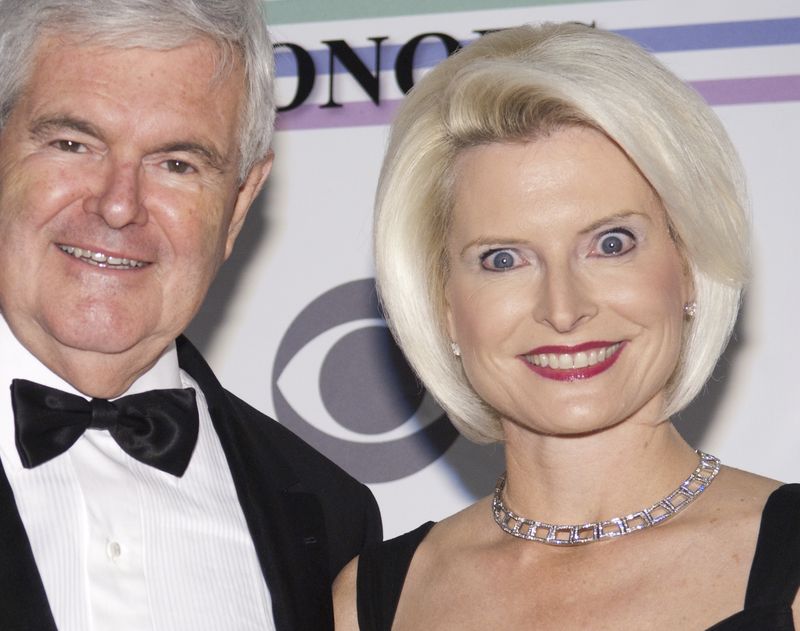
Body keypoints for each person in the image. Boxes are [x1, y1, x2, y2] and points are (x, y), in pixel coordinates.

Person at [333, 23, 799, 630]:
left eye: (611, 244)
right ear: (443, 302)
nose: (562, 307)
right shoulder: (369, 601)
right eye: (503, 259)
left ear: (688, 266)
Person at [0, 1, 381, 630]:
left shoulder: (332, 519)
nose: (119, 205)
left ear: (239, 204)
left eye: (177, 164)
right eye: (73, 143)